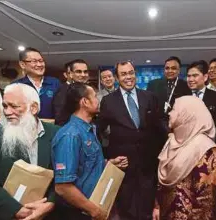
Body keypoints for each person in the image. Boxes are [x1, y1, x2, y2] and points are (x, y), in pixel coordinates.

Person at [0, 83, 60, 220]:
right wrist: (16, 210)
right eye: (5, 106)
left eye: (14, 106)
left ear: (33, 108)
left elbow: (65, 175)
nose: (7, 112)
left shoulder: (57, 134)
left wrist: (51, 203)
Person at [99, 61, 166, 220]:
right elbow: (100, 132)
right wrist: (108, 158)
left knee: (147, 210)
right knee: (126, 210)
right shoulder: (108, 101)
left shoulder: (150, 97)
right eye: (123, 74)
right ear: (117, 77)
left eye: (131, 73)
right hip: (124, 167)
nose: (128, 77)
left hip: (148, 165)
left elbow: (159, 126)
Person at [53, 82, 128, 220]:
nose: (98, 100)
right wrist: (94, 211)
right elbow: (63, 187)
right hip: (81, 213)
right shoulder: (70, 135)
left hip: (94, 206)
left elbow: (85, 165)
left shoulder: (89, 129)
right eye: (94, 96)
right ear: (85, 102)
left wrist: (107, 163)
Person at [153, 96, 216, 220]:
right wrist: (157, 206)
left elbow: (207, 201)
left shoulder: (206, 150)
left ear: (187, 115)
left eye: (173, 110)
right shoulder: (172, 141)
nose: (169, 113)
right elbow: (161, 186)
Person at [14, 47, 61, 119]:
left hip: (51, 127)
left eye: (41, 61)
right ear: (22, 64)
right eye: (34, 61)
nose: (39, 64)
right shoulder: (16, 86)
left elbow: (61, 109)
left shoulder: (55, 83)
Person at [186, 60, 216, 142]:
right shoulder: (182, 96)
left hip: (208, 143)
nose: (190, 79)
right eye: (189, 76)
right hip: (186, 143)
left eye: (195, 75)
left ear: (205, 77)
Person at [147, 56, 191, 123]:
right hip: (157, 126)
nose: (170, 71)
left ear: (179, 70)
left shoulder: (186, 86)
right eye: (167, 68)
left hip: (179, 126)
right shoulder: (153, 84)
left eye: (173, 68)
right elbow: (149, 107)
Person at [53, 59, 90, 126]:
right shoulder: (63, 91)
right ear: (71, 74)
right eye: (78, 72)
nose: (83, 74)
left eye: (85, 72)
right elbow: (60, 119)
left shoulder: (86, 89)